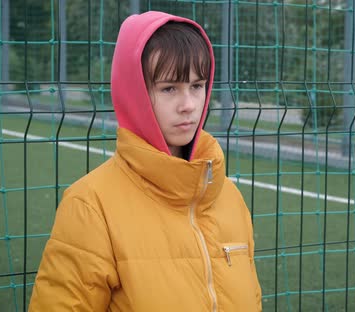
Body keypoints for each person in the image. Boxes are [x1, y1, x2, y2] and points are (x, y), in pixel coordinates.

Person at [29, 11, 261, 311]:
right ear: (134, 93)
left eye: (197, 85)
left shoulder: (229, 198)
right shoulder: (90, 206)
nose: (188, 105)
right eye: (169, 88)